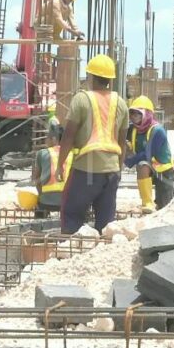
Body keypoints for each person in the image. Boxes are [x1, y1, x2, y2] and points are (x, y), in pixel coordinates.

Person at [55, 54, 128, 234]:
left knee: (71, 214)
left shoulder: (81, 99)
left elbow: (68, 136)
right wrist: (118, 169)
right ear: (111, 79)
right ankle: (102, 255)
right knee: (106, 222)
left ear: (91, 77)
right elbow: (122, 142)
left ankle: (69, 254)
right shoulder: (121, 103)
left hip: (86, 168)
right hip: (111, 170)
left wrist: (60, 165)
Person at [124, 96, 174, 212]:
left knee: (164, 207)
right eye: (131, 113)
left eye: (137, 113)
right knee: (142, 166)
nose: (133, 116)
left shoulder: (157, 130)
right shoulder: (133, 129)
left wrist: (129, 161)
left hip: (164, 170)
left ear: (146, 114)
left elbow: (148, 153)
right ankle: (147, 203)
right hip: (148, 168)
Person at [30, 120, 72, 217]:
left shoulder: (42, 153)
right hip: (69, 201)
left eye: (47, 138)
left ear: (54, 139)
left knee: (39, 208)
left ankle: (39, 228)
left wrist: (41, 195)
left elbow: (36, 180)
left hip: (47, 202)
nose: (46, 141)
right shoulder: (72, 153)